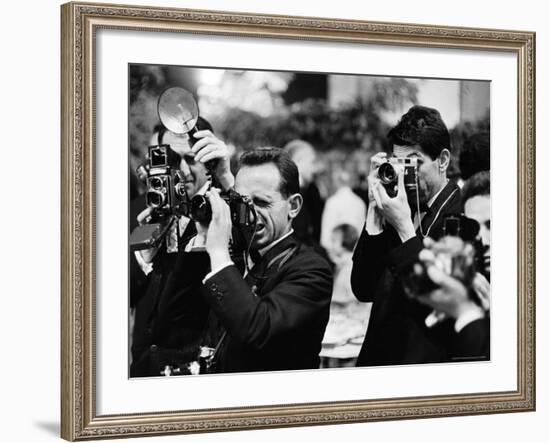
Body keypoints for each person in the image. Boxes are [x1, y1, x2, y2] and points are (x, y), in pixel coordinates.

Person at [168, 148, 333, 373]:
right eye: (242, 202)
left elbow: (257, 329)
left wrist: (218, 253)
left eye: (262, 202)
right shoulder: (234, 257)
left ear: (293, 206)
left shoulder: (312, 269)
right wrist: (201, 242)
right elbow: (174, 319)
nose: (249, 213)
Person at [351, 105, 463, 366]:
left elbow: (441, 302)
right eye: (399, 164)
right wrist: (374, 212)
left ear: (443, 160)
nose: (405, 175)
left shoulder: (461, 214)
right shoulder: (397, 205)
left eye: (414, 163)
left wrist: (404, 228)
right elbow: (363, 288)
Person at [130, 117, 232, 377]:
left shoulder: (223, 209)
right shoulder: (148, 209)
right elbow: (127, 289)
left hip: (192, 368)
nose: (184, 171)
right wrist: (145, 246)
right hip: (142, 365)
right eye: (174, 160)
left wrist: (228, 179)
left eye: (191, 158)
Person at [283, 140, 325, 247]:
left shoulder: (312, 191)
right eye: (312, 162)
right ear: (298, 161)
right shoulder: (287, 194)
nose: (314, 168)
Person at [320, 170, 366, 253]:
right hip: (356, 252)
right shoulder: (359, 202)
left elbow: (325, 235)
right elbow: (362, 232)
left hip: (337, 253)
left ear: (336, 182)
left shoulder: (332, 202)